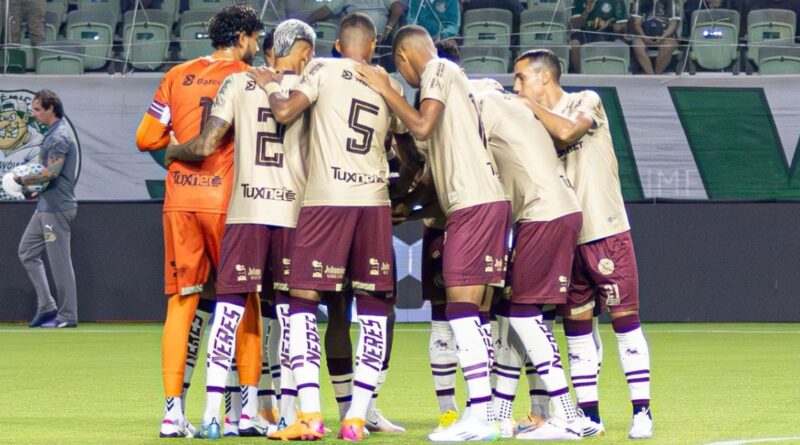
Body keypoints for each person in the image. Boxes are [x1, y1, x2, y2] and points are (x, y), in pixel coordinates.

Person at [248, 12, 408, 441]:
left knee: (302, 300)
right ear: (373, 46)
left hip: (326, 201)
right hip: (373, 204)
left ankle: (311, 415)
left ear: (337, 45)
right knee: (373, 309)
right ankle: (355, 419)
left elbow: (285, 112)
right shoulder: (388, 84)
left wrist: (270, 84)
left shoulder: (321, 68)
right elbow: (406, 145)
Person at [356, 25, 510, 441]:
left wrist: (384, 89)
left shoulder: (438, 70)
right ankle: (484, 413)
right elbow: (426, 170)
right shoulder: (449, 97)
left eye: (399, 70)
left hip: (473, 204)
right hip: (479, 203)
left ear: (404, 57)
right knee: (472, 312)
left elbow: (422, 126)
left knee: (459, 309)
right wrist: (406, 206)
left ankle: (479, 417)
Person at [165, 18, 315, 438]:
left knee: (226, 313)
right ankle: (285, 415)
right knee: (289, 318)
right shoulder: (311, 86)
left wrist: (172, 153)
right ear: (305, 52)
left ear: (271, 49)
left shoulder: (238, 83)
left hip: (246, 211)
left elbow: (205, 144)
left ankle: (213, 416)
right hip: (291, 214)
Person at [134, 4, 264, 439]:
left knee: (181, 303)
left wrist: (175, 142)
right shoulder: (249, 76)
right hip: (228, 201)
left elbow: (145, 138)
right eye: (255, 39)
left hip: (181, 199)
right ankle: (244, 414)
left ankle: (172, 415)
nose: (257, 46)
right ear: (242, 37)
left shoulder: (177, 75)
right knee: (244, 299)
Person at [514, 48, 654, 440]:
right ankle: (588, 417)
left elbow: (568, 132)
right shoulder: (530, 121)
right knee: (576, 332)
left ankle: (642, 412)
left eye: (521, 77)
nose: (516, 86)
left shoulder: (585, 100)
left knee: (625, 323)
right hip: (565, 239)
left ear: (544, 76)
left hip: (606, 229)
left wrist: (526, 107)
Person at [471, 79, 584, 440]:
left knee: (521, 313)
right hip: (550, 210)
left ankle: (569, 415)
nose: (518, 85)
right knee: (513, 312)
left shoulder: (481, 104)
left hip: (542, 213)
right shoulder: (514, 110)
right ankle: (500, 413)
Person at [15, 90, 78, 329]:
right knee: (27, 251)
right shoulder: (52, 133)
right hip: (46, 205)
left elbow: (52, 172)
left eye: (38, 110)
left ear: (51, 109)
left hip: (57, 208)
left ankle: (68, 315)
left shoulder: (60, 136)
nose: (34, 114)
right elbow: (47, 175)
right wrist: (34, 189)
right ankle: (46, 306)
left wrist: (21, 180)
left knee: (60, 263)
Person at [569, 0, 629, 72]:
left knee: (602, 41)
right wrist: (586, 12)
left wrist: (611, 23)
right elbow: (575, 25)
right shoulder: (579, 1)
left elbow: (622, 27)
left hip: (608, 34)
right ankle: (580, 74)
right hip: (585, 32)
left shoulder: (617, 1)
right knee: (574, 43)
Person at [630, 0, 680, 74]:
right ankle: (651, 75)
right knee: (637, 45)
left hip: (666, 36)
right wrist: (644, 37)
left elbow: (673, 24)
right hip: (644, 36)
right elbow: (637, 24)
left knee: (668, 46)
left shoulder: (672, 2)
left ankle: (657, 74)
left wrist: (662, 37)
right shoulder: (640, 1)